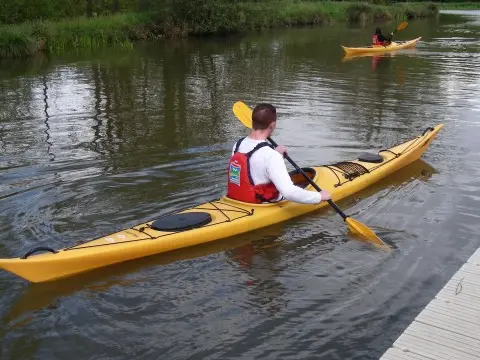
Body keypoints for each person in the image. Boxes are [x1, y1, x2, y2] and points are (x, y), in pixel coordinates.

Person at [227, 103, 331, 204]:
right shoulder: (271, 156)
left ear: (253, 122)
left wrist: (275, 152)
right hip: (262, 202)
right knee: (297, 187)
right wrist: (319, 196)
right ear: (272, 125)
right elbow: (289, 193)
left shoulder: (238, 145)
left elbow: (251, 166)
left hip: (237, 198)